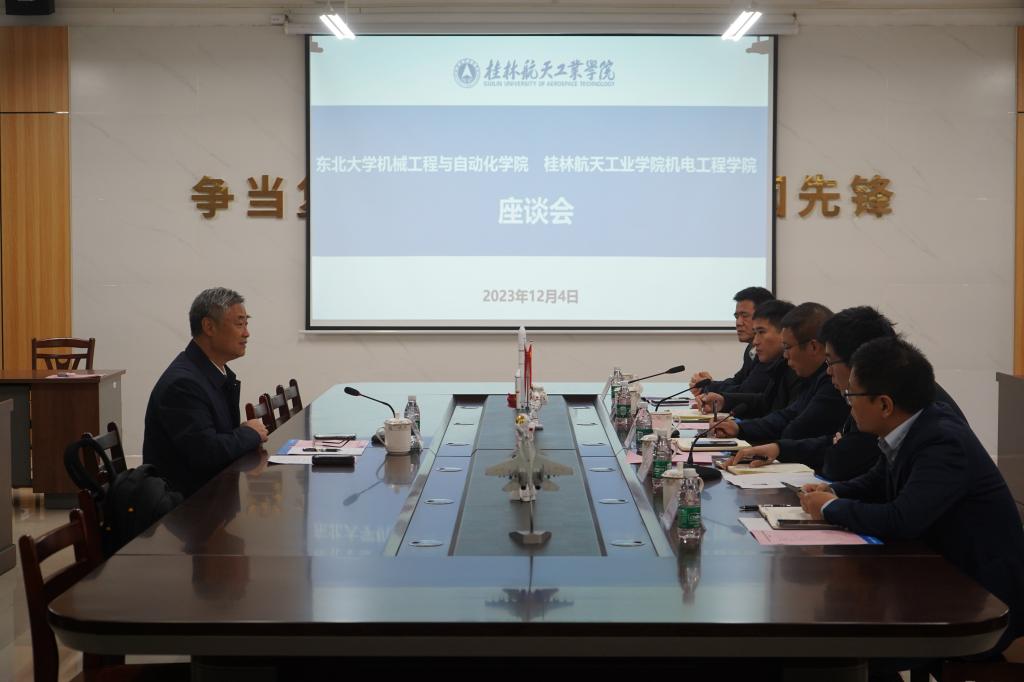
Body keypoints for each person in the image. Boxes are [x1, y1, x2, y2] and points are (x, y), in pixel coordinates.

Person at [801, 337, 1024, 656]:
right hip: (939, 577)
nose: (848, 403)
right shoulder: (913, 426)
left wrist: (831, 508)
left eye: (852, 395)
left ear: (885, 405)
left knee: (848, 640)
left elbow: (901, 520)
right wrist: (833, 491)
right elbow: (877, 480)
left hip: (979, 599)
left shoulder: (942, 442)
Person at [728, 307, 965, 479]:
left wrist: (831, 500)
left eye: (831, 361)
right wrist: (780, 448)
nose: (828, 370)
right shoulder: (875, 388)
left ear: (860, 360)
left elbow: (842, 463)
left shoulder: (892, 400)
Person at [143, 287, 269, 498]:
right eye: (239, 324)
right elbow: (206, 452)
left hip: (214, 493)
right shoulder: (183, 384)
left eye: (246, 324)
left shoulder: (211, 372)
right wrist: (249, 433)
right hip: (186, 506)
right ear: (209, 326)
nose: (246, 333)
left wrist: (243, 433)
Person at [713, 302, 848, 444]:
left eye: (787, 346)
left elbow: (794, 431)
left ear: (813, 347)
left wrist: (773, 446)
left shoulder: (830, 381)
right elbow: (784, 413)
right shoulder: (802, 372)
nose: (785, 354)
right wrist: (739, 427)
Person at [697, 299, 803, 418]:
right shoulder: (778, 363)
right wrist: (723, 401)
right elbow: (766, 403)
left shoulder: (798, 370)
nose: (755, 341)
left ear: (785, 332)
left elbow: (786, 420)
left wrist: (740, 427)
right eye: (755, 333)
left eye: (761, 332)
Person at [689, 286, 774, 399]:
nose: (738, 322)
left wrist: (709, 386)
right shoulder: (751, 349)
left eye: (744, 316)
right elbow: (737, 381)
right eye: (736, 316)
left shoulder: (770, 352)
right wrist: (708, 384)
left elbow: (745, 391)